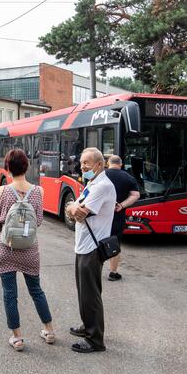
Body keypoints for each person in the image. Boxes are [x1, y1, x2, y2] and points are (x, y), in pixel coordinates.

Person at [0, 149, 55, 351]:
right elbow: (38, 221)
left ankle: (17, 338)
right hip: (29, 249)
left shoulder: (2, 190)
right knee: (36, 290)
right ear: (27, 166)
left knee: (10, 293)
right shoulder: (38, 191)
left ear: (8, 168)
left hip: (6, 249)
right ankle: (49, 330)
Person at [65, 148, 116, 353]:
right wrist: (72, 207)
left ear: (99, 165)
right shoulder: (92, 184)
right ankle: (87, 326)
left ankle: (95, 340)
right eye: (81, 162)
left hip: (93, 248)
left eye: (87, 162)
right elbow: (72, 208)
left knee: (90, 294)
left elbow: (79, 214)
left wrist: (73, 208)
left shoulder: (102, 186)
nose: (82, 166)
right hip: (84, 245)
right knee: (84, 291)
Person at [105, 155, 140, 281]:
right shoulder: (128, 177)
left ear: (108, 163)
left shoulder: (101, 175)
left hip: (101, 216)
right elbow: (135, 195)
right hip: (117, 215)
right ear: (121, 164)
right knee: (114, 243)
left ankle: (95, 270)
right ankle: (113, 272)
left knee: (97, 241)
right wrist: (121, 205)